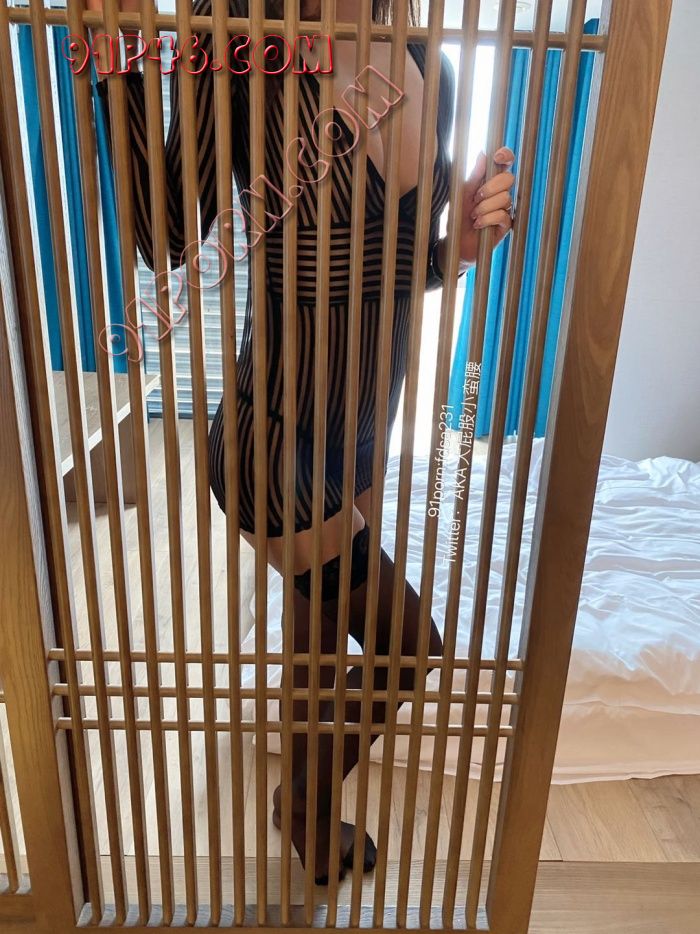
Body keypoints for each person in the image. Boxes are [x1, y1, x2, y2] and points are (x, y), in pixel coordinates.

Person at [90, 0, 515, 884]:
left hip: (362, 433)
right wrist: (119, 55)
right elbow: (164, 241)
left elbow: (393, 262)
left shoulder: (427, 57)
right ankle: (305, 800)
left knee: (316, 653)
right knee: (409, 649)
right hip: (273, 442)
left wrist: (465, 248)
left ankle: (312, 831)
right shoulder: (250, 47)